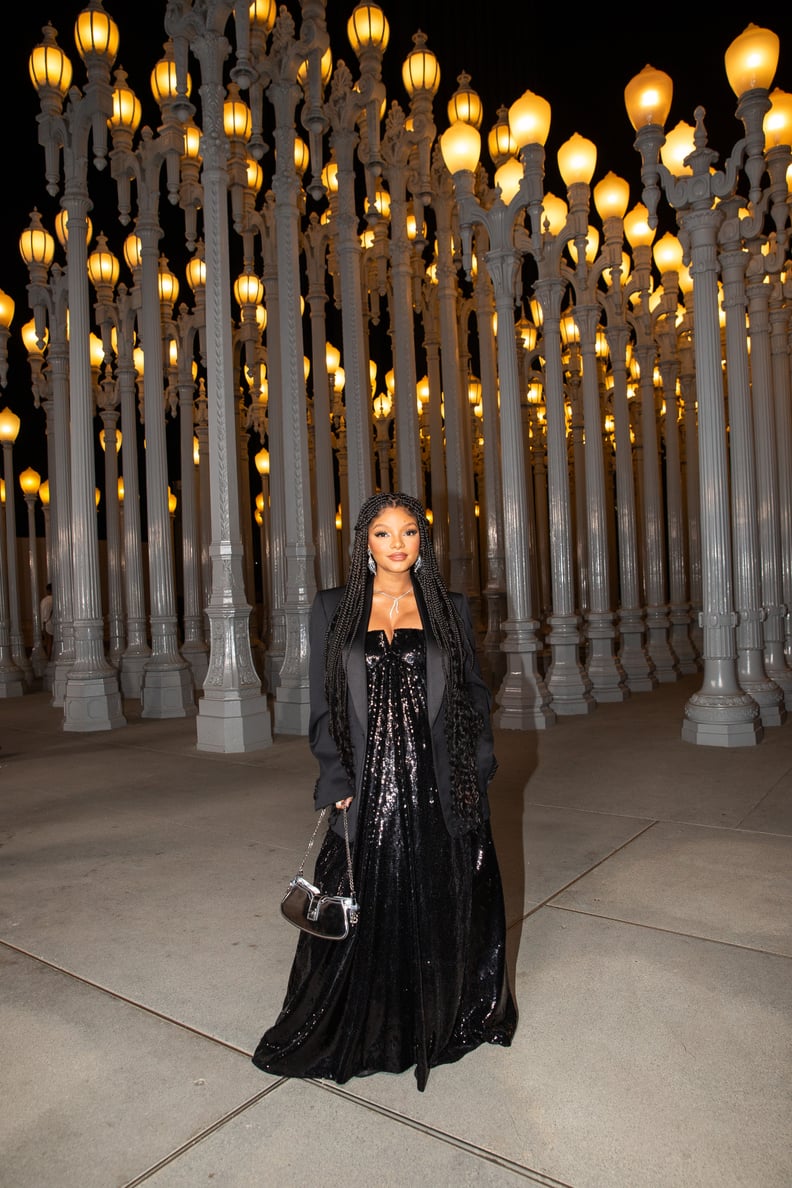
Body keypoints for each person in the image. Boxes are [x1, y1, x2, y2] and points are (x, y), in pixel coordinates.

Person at [252, 492, 516, 1092]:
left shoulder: (447, 607)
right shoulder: (332, 608)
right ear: (363, 543)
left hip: (437, 779)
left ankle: (436, 1014)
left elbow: (472, 694)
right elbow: (324, 705)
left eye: (409, 533)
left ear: (423, 541)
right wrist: (334, 776)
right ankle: (364, 1021)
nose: (398, 545)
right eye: (382, 534)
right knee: (360, 898)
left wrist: (477, 765)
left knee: (440, 894)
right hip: (366, 782)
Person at [40, 583, 53, 660]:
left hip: (45, 623)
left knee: (48, 642)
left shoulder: (43, 600)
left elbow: (41, 614)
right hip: (53, 622)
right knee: (52, 642)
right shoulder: (55, 599)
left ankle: (48, 658)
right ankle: (50, 657)